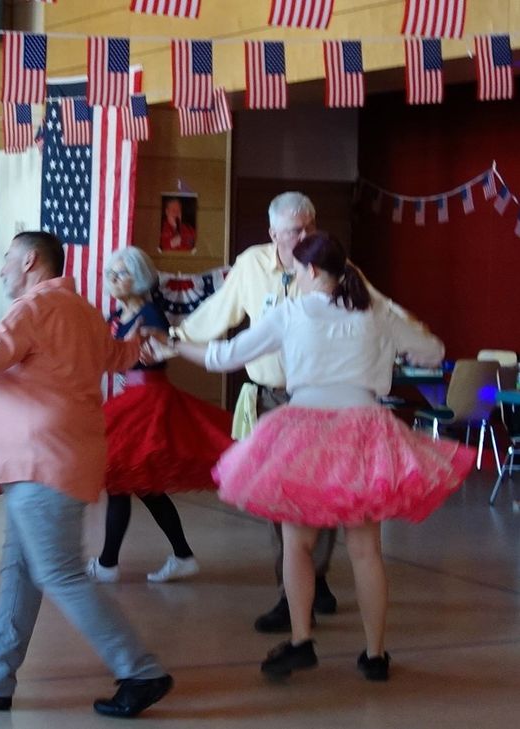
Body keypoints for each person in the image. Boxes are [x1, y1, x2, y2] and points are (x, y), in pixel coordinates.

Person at [158, 232, 474, 681]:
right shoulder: (375, 310)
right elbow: (433, 350)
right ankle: (375, 654)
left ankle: (302, 640)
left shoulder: (288, 312)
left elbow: (223, 356)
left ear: (308, 271)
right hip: (364, 427)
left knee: (297, 545)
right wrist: (391, 339)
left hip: (304, 428)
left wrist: (173, 342)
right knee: (366, 551)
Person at [0, 231, 173, 718]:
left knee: (60, 573)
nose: (2, 269)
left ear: (29, 261)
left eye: (6, 260)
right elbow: (116, 356)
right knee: (20, 571)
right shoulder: (82, 312)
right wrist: (139, 345)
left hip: (42, 464)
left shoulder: (33, 310)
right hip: (54, 462)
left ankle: (140, 670)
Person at [171, 191, 342, 633]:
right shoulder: (251, 265)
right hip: (271, 398)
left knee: (322, 492)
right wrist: (176, 336)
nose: (305, 236)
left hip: (322, 398)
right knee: (278, 495)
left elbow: (370, 305)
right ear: (273, 234)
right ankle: (293, 589)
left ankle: (312, 577)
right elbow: (217, 313)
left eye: (310, 226)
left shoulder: (333, 263)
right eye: (295, 230)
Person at [87, 247, 232, 584]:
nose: (113, 278)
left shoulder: (150, 314)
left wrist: (150, 349)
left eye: (121, 273)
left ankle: (109, 564)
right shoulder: (113, 318)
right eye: (111, 272)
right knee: (140, 485)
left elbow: (164, 350)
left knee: (122, 479)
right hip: (130, 399)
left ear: (137, 278)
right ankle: (180, 555)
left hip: (149, 398)